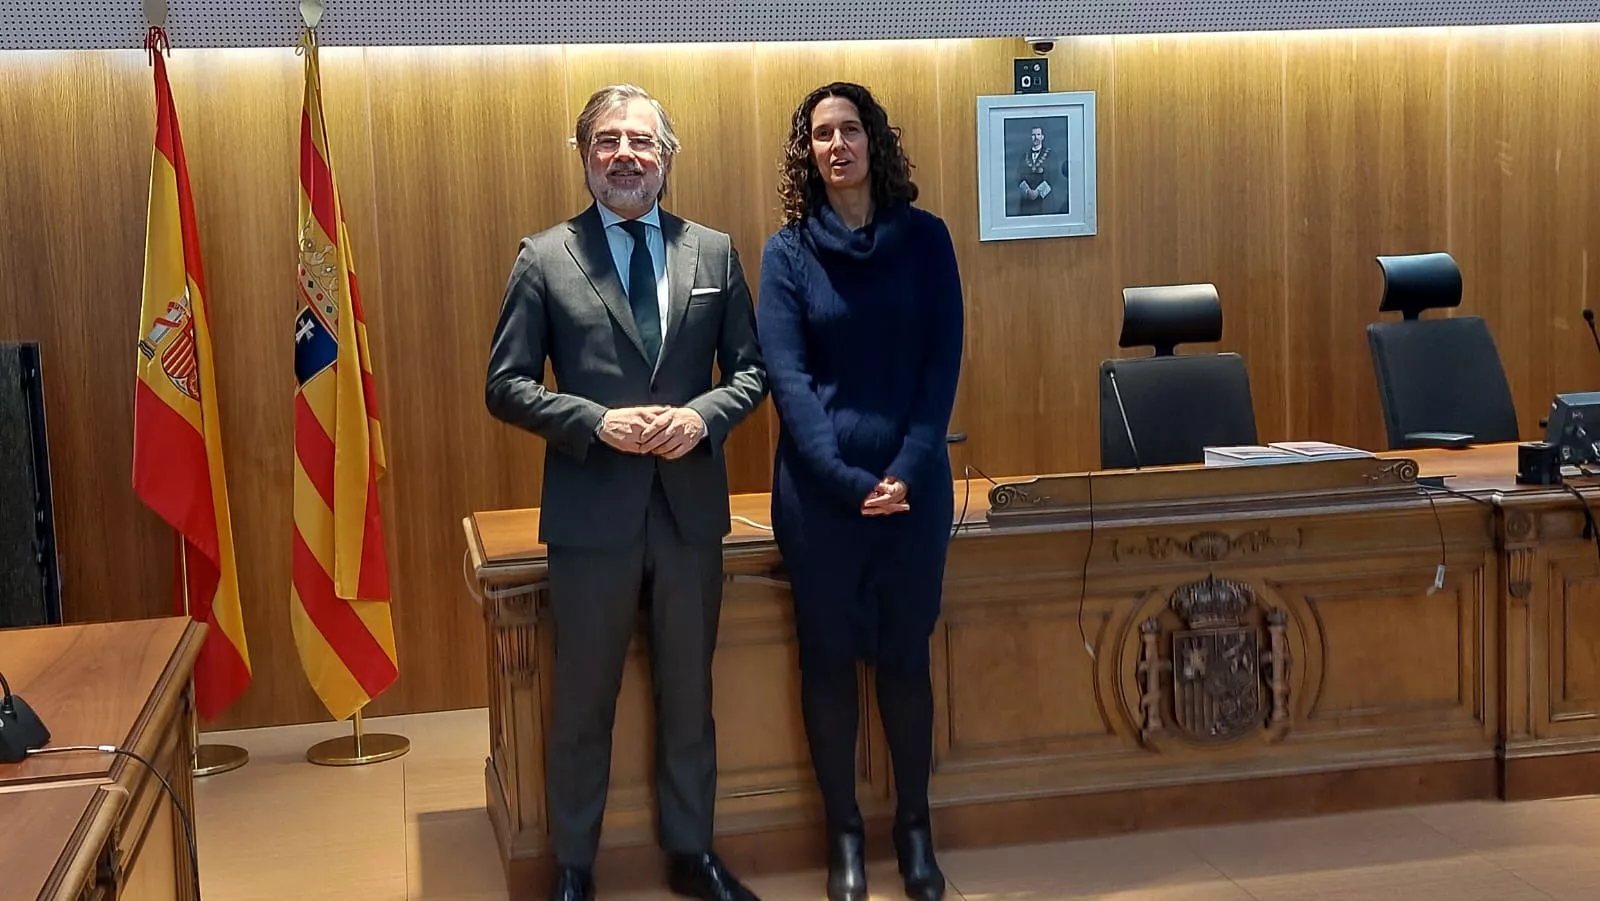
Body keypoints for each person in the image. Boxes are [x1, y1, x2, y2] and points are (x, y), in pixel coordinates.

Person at [485, 84, 767, 901]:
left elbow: (751, 371)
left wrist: (703, 417)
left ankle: (692, 854)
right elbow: (505, 385)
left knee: (690, 695)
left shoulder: (713, 253)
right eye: (607, 141)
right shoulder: (545, 257)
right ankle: (574, 866)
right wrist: (593, 421)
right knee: (582, 700)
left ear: (666, 157)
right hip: (590, 514)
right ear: (584, 156)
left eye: (641, 142)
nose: (625, 156)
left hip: (689, 511)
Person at [756, 82, 964, 901]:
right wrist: (847, 482)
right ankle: (843, 835)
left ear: (875, 140)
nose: (836, 144)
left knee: (907, 659)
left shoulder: (927, 240)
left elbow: (941, 365)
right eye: (821, 134)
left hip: (913, 493)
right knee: (829, 661)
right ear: (808, 154)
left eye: (849, 129)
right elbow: (789, 380)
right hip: (820, 499)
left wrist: (904, 470)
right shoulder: (786, 254)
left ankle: (914, 829)